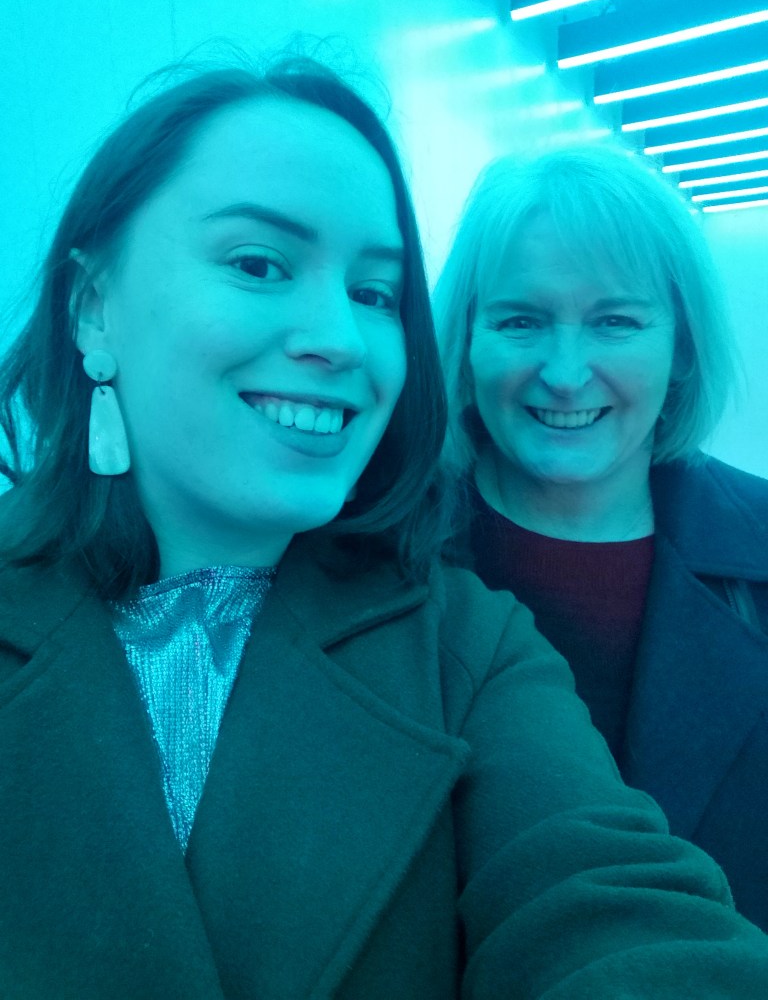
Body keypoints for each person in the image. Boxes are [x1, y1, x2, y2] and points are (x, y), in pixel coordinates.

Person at [1, 64, 768, 1000]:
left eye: (373, 293)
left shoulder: (464, 641)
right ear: (91, 303)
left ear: (678, 345)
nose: (338, 335)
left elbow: (605, 906)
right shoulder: (434, 566)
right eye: (258, 263)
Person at [435, 144, 768, 932]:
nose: (565, 371)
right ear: (467, 338)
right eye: (522, 319)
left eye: (615, 321)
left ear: (680, 346)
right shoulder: (365, 557)